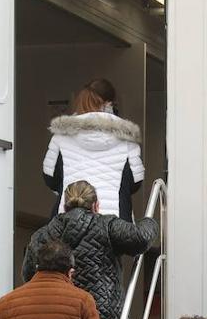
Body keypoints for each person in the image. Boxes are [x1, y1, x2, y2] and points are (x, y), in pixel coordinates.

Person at [21, 179, 159, 319]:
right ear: (96, 205)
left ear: (64, 206)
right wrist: (150, 221)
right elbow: (140, 238)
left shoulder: (42, 236)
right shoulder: (107, 225)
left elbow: (28, 275)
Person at [42, 78, 144, 220]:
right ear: (110, 104)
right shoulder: (127, 138)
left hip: (68, 220)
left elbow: (50, 179)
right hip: (115, 223)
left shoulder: (61, 136)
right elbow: (135, 182)